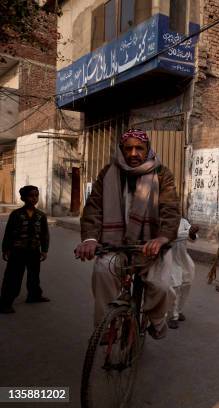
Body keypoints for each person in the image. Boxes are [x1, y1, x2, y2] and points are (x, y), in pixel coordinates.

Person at [74, 128, 181, 340]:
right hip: (115, 244)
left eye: (139, 148)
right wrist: (90, 239)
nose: (133, 153)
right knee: (103, 271)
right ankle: (107, 325)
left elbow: (170, 209)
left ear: (147, 149)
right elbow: (94, 208)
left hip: (151, 245)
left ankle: (156, 320)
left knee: (161, 285)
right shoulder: (108, 173)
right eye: (128, 148)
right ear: (121, 150)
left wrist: (162, 238)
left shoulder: (161, 173)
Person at [0, 186, 50, 314]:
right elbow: (8, 233)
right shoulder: (16, 214)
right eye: (31, 196)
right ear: (23, 198)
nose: (34, 198)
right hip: (17, 251)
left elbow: (44, 234)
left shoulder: (41, 215)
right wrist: (6, 249)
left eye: (36, 196)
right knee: (13, 277)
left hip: (34, 251)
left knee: (34, 275)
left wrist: (44, 250)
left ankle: (34, 296)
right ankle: (5, 303)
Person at [168, 217, 199, 329]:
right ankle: (173, 316)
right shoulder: (165, 221)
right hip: (170, 258)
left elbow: (193, 239)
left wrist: (192, 233)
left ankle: (179, 310)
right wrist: (188, 233)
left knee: (187, 283)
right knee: (175, 286)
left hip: (183, 258)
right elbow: (171, 237)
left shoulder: (183, 221)